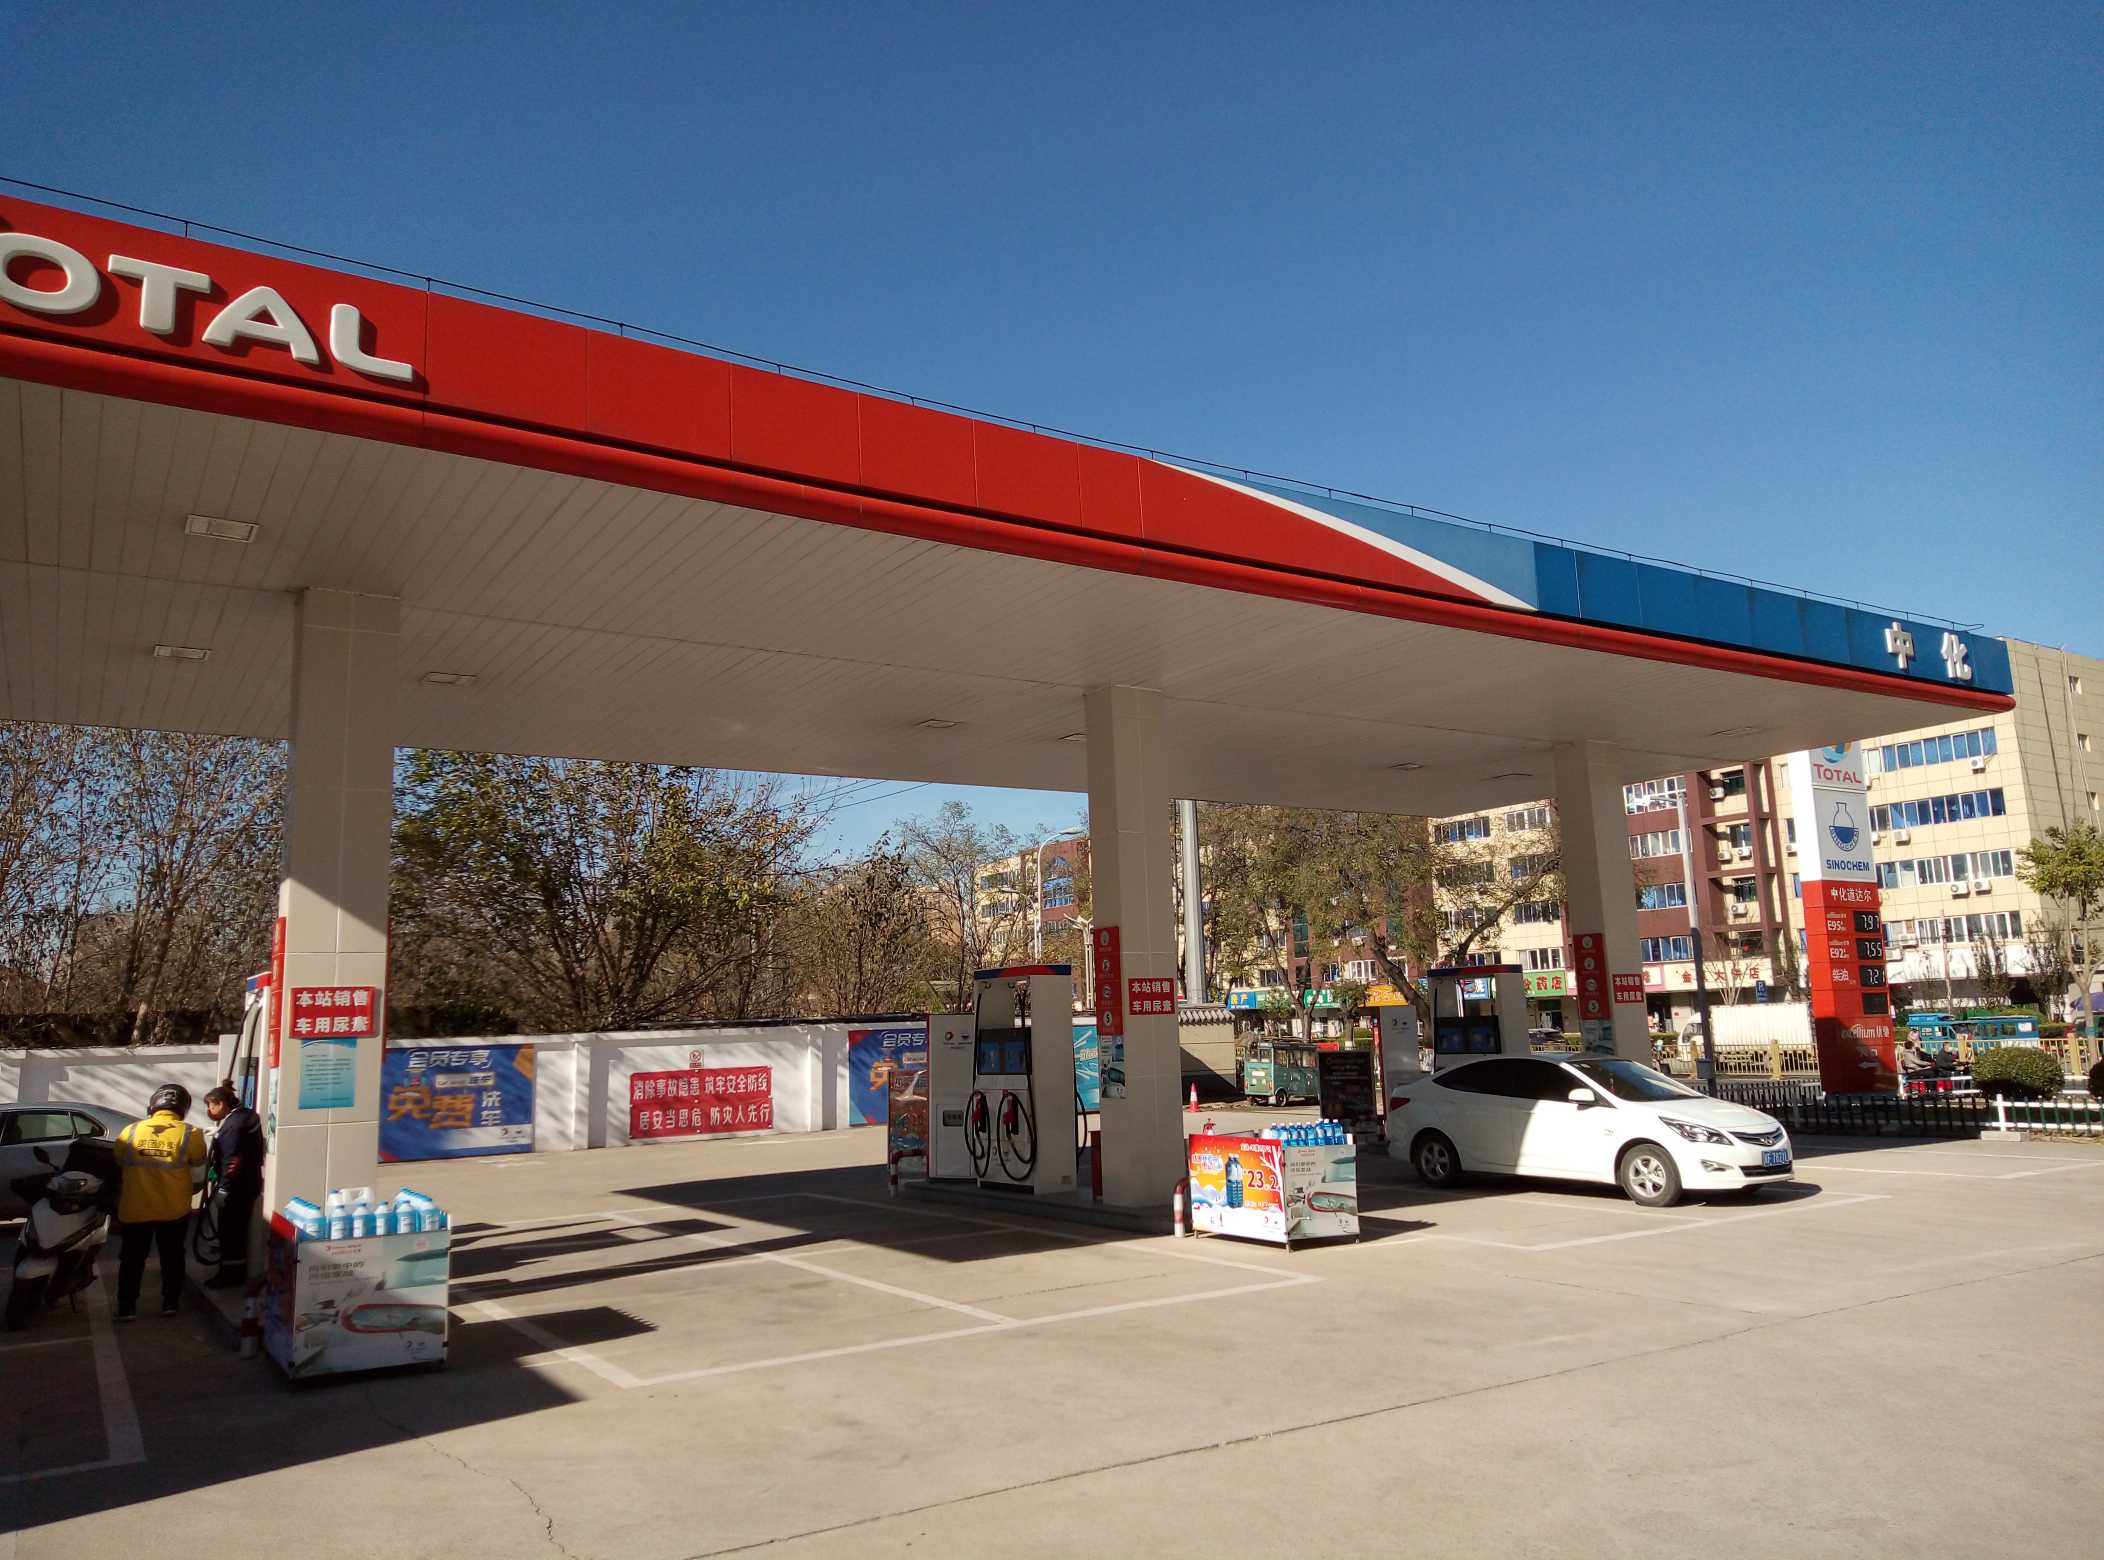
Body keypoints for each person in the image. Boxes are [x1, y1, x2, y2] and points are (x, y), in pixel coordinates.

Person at [112, 1084, 208, 1321]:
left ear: (153, 1105)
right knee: (172, 1257)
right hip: (173, 1210)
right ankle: (170, 1303)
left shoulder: (131, 1131)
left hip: (135, 1208)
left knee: (132, 1260)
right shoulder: (192, 1134)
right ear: (183, 1108)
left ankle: (126, 1307)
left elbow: (119, 1162)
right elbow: (198, 1178)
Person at [202, 1082, 264, 1289]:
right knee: (236, 1231)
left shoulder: (234, 1124)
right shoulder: (246, 1115)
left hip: (237, 1188)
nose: (210, 1110)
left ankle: (230, 1276)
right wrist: (220, 1134)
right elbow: (243, 1145)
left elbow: (233, 1160)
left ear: (221, 1104)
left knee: (230, 1233)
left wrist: (224, 1189)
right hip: (249, 1183)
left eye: (211, 1106)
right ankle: (235, 1271)